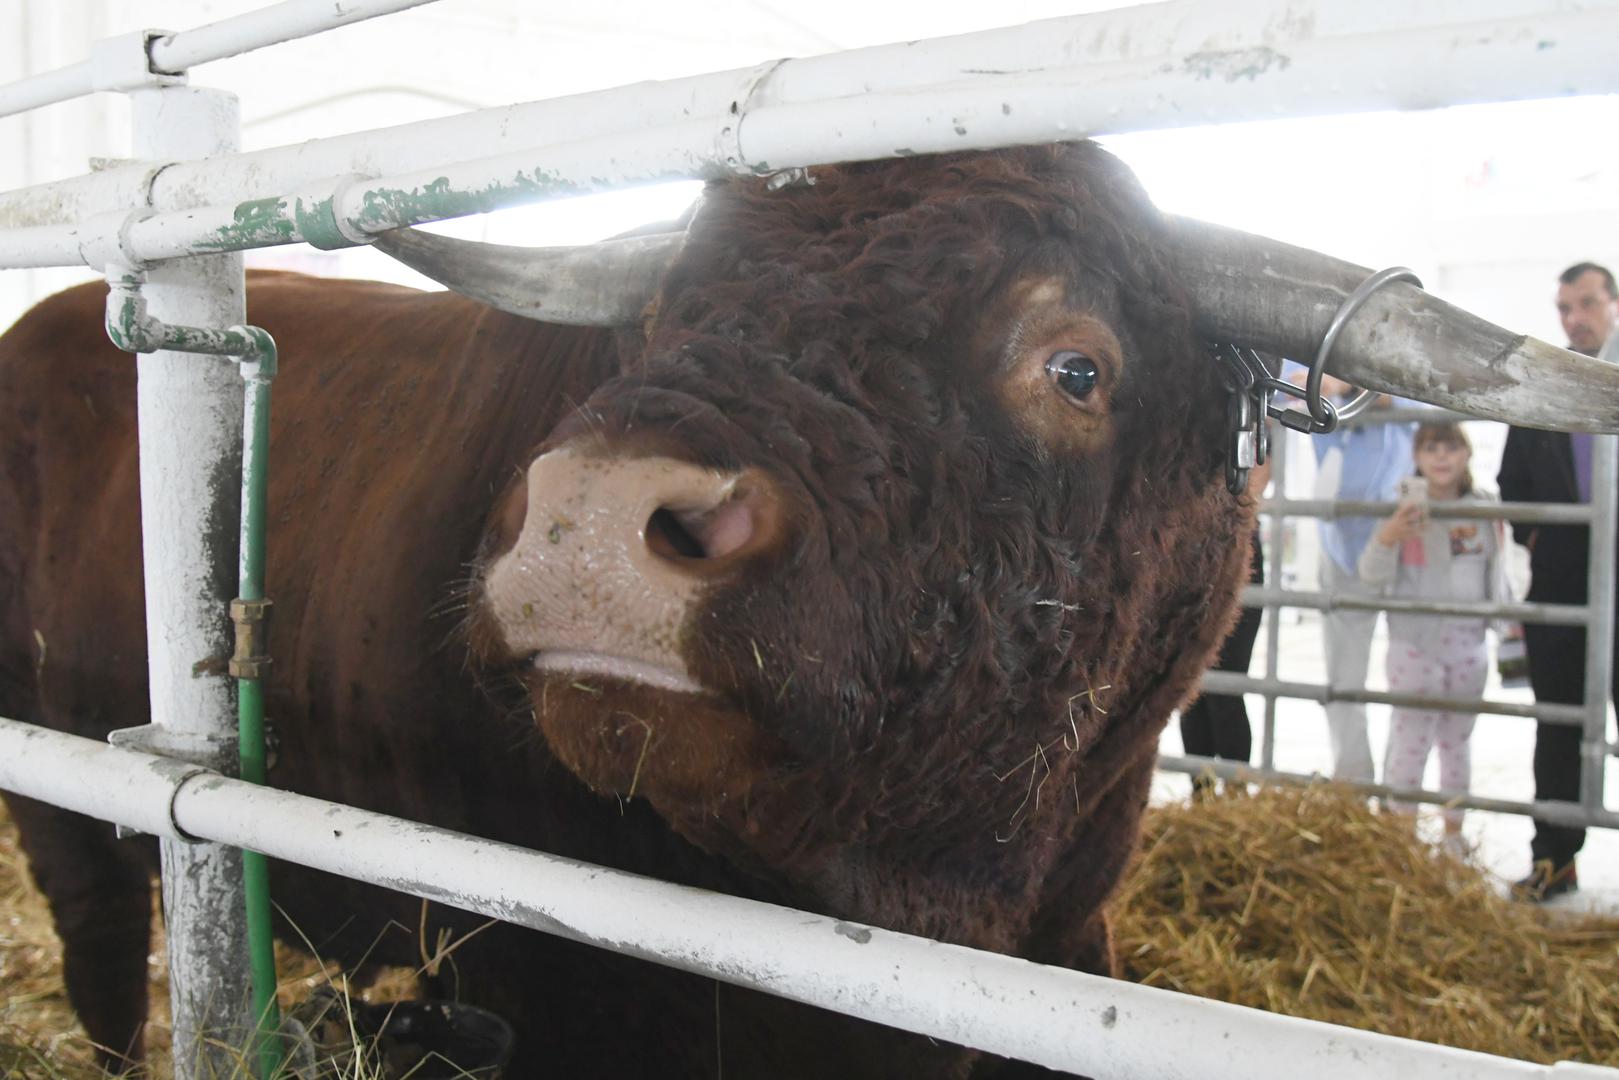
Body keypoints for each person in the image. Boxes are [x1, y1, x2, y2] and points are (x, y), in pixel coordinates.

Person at [1496, 261, 1619, 900]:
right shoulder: (1543, 386)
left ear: (1614, 304)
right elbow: (1511, 482)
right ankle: (1555, 859)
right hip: (1562, 577)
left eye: (1588, 303)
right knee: (1559, 722)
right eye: (1565, 308)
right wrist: (1539, 533)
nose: (1576, 319)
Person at [1360, 422, 1505, 855]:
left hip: (1468, 644)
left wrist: (1503, 626)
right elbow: (1371, 575)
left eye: (1451, 448)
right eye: (1431, 449)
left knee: (1457, 743)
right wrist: (1389, 536)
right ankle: (1401, 838)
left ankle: (1453, 835)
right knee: (1409, 742)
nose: (1441, 458)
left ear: (1466, 454)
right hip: (1413, 643)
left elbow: (1500, 573)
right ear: (1417, 457)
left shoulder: (1485, 508)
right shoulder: (1402, 508)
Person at [1306, 377, 1416, 781]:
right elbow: (1288, 389)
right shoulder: (1322, 356)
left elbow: (1422, 403)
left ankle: (1402, 788)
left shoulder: (1405, 364)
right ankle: (1353, 784)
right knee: (1344, 677)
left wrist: (1348, 388)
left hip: (1405, 543)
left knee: (1411, 670)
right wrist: (1322, 385)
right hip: (1341, 543)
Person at [1180, 457, 1270, 794]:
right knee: (1190, 689)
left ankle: (1235, 795)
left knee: (1225, 687)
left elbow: (1255, 484)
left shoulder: (1250, 419)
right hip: (1188, 559)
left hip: (1238, 552)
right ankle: (1201, 794)